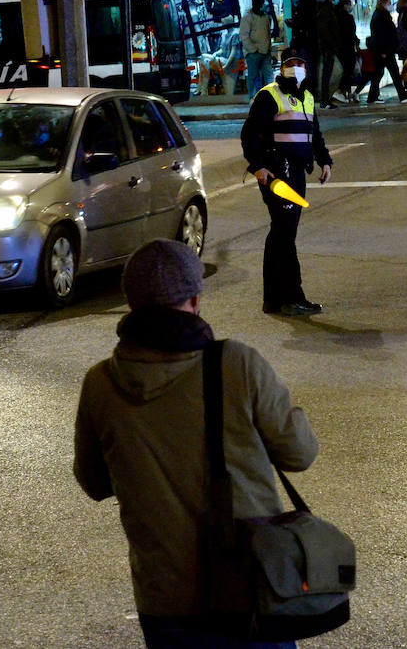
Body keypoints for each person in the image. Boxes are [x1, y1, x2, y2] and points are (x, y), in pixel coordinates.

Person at [73, 238, 319, 649]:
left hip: (164, 597)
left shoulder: (101, 384)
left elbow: (94, 482)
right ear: (195, 299)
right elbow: (300, 453)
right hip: (250, 586)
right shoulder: (237, 364)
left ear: (130, 305)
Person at [240, 56, 333, 316]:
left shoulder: (307, 97)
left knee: (281, 233)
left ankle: (273, 298)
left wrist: (324, 161)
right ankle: (292, 296)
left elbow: (314, 133)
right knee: (284, 232)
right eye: (292, 68)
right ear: (282, 71)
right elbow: (250, 134)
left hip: (296, 172)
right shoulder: (270, 96)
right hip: (278, 171)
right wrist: (258, 166)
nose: (297, 73)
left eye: (301, 67)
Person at [366, 0, 407, 104]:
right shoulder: (381, 17)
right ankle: (402, 95)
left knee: (378, 74)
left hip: (384, 50)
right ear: (383, 4)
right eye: (389, 3)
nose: (391, 5)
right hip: (385, 51)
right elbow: (381, 35)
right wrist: (383, 51)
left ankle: (372, 97)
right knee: (394, 73)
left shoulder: (380, 15)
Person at [239, 0, 274, 97]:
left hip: (265, 51)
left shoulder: (265, 17)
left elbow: (268, 33)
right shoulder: (247, 17)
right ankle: (252, 97)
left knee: (268, 76)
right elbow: (244, 35)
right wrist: (253, 49)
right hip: (253, 53)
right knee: (253, 76)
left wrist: (268, 48)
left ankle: (269, 97)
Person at [315, 0, 342, 108]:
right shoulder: (326, 10)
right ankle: (325, 100)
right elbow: (324, 30)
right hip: (328, 47)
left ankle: (326, 99)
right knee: (326, 74)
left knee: (328, 73)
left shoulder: (329, 9)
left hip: (329, 46)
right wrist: (331, 43)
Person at [284, 0, 318, 70]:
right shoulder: (309, 2)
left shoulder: (305, 5)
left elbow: (304, 23)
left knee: (306, 68)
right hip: (308, 42)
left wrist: (292, 23)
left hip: (305, 43)